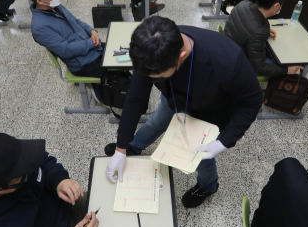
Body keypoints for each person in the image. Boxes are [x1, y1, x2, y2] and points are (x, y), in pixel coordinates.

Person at [105, 16, 263, 208]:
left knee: (199, 157)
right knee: (156, 122)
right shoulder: (150, 50)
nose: (149, 80)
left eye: (156, 77)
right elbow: (135, 99)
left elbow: (253, 101)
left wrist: (224, 142)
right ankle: (134, 147)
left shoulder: (228, 59)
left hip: (210, 109)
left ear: (181, 56)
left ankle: (208, 185)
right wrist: (121, 148)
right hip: (173, 98)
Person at [27, 0, 104, 99]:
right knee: (118, 68)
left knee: (120, 52)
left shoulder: (55, 6)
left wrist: (92, 31)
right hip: (83, 63)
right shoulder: (40, 28)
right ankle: (98, 91)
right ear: (40, 1)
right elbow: (66, 50)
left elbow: (76, 21)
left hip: (91, 47)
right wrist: (91, 43)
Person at [225, 0, 303, 77]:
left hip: (229, 50)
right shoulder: (258, 32)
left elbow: (247, 27)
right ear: (276, 6)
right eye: (281, 4)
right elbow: (259, 68)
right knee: (282, 62)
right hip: (239, 64)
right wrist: (286, 70)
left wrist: (263, 29)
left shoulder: (243, 4)